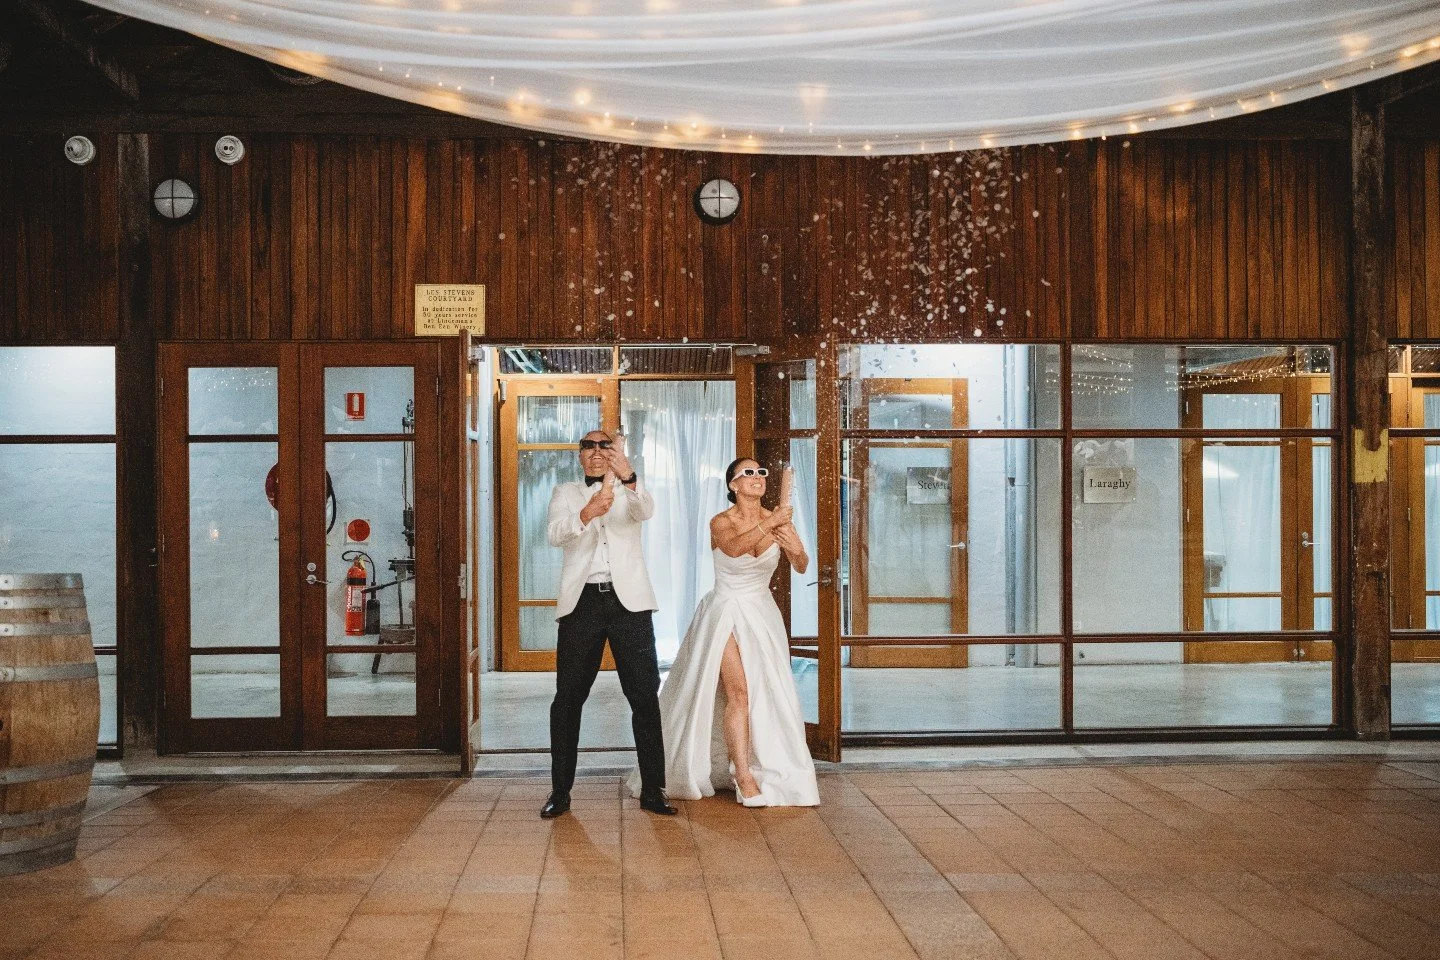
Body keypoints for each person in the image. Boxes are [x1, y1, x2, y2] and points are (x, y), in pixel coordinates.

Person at [628, 457, 820, 808]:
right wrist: (772, 522)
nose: (757, 477)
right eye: (748, 473)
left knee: (767, 691)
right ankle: (742, 774)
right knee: (739, 691)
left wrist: (791, 542)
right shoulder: (722, 521)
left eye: (761, 472)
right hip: (726, 610)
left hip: (762, 612)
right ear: (733, 485)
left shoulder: (776, 520)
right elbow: (733, 548)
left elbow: (802, 563)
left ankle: (761, 763)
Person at [542, 430, 676, 818]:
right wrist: (588, 512)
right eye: (590, 446)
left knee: (644, 698)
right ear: (580, 455)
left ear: (615, 453)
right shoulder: (564, 492)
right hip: (581, 602)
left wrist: (629, 477)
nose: (597, 452)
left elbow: (645, 510)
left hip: (629, 603)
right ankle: (560, 792)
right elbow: (554, 534)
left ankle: (654, 790)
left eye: (605, 446)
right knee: (567, 699)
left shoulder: (633, 487)